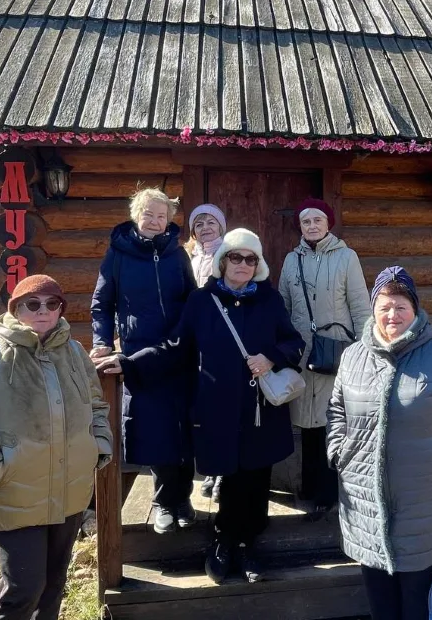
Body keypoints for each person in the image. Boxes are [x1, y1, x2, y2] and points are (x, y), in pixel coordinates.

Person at [97, 229, 305, 585]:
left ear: (258, 265)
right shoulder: (202, 301)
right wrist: (129, 362)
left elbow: (293, 341)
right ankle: (224, 543)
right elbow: (175, 346)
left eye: (250, 258)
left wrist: (270, 358)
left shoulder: (270, 300)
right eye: (236, 257)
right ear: (223, 261)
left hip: (258, 411)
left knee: (255, 478)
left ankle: (248, 546)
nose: (242, 264)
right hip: (218, 409)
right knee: (227, 474)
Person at [0, 275, 113, 620]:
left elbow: (96, 405)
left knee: (53, 584)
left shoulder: (75, 352)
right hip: (14, 493)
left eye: (52, 303)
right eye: (32, 304)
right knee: (23, 588)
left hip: (68, 491)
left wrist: (98, 446)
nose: (43, 310)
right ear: (15, 309)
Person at [326, 266, 432, 620]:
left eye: (400, 306)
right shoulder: (353, 356)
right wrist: (339, 453)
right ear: (373, 310)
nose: (392, 315)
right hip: (364, 497)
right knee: (381, 604)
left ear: (415, 309)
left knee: (419, 603)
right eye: (384, 306)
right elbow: (336, 409)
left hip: (424, 498)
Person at [89, 188, 197, 534]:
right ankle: (164, 501)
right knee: (155, 427)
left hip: (179, 351)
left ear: (169, 220)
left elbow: (191, 299)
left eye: (161, 215)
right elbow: (102, 303)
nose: (154, 221)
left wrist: (187, 337)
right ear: (136, 214)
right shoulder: (118, 254)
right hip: (139, 355)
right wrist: (102, 342)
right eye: (148, 214)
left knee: (183, 425)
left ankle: (183, 497)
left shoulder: (177, 255)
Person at [279, 198, 370, 520]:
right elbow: (284, 308)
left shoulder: (347, 258)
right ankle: (308, 484)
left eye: (318, 220)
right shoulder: (292, 261)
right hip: (303, 356)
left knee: (332, 421)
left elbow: (360, 306)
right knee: (308, 425)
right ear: (300, 227)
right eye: (306, 221)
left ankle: (329, 490)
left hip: (336, 352)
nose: (312, 226)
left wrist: (364, 350)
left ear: (328, 223)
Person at [184, 203, 228, 501]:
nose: (205, 227)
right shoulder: (186, 257)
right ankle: (208, 469)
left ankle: (222, 473)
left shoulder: (231, 254)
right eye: (198, 223)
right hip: (192, 344)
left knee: (223, 410)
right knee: (201, 412)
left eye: (211, 221)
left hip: (224, 343)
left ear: (221, 226)